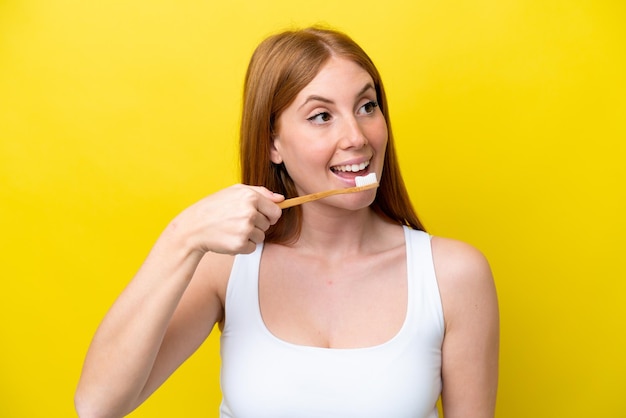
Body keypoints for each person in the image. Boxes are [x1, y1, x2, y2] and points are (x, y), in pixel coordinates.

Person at [74, 26, 499, 418]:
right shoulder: (228, 266)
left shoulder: (453, 275)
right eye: (321, 116)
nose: (358, 136)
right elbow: (97, 405)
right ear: (272, 143)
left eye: (367, 106)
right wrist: (181, 238)